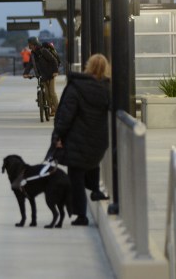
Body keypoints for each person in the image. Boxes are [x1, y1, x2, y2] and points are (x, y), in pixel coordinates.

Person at [48, 53, 111, 226]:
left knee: (76, 177)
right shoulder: (107, 88)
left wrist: (58, 136)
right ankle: (96, 190)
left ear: (88, 66)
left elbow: (66, 114)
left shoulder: (77, 87)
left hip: (77, 138)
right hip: (98, 139)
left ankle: (81, 215)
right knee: (92, 163)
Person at [22, 36, 59, 116]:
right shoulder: (32, 54)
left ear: (34, 44)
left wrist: (55, 71)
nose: (29, 46)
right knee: (46, 93)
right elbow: (30, 64)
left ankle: (59, 111)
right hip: (42, 75)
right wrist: (25, 73)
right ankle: (52, 108)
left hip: (51, 74)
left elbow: (54, 60)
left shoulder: (44, 51)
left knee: (52, 93)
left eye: (30, 44)